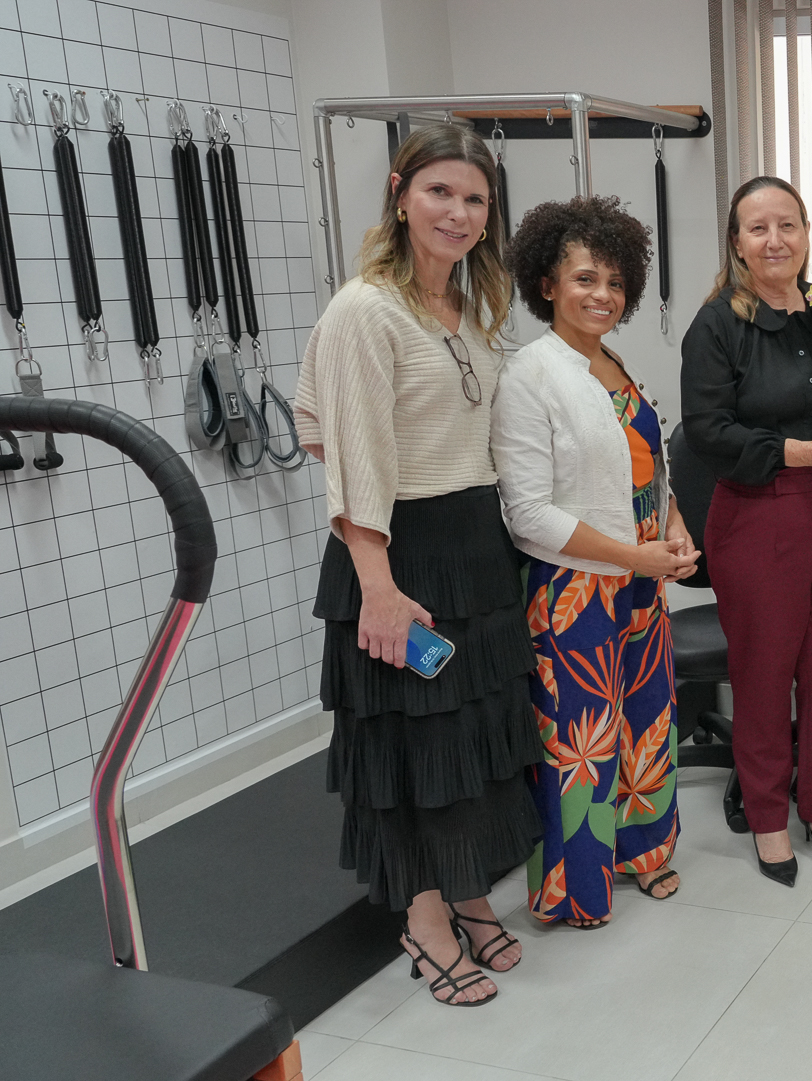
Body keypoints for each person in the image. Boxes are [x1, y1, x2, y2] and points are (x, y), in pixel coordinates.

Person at [295, 126, 538, 1008]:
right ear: (401, 194)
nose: (459, 213)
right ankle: (425, 919)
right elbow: (345, 447)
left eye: (475, 198)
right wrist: (379, 584)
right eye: (440, 192)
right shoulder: (366, 308)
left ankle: (469, 892)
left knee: (468, 742)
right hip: (399, 550)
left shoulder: (470, 309)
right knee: (413, 744)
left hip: (475, 547)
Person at [680, 177, 812, 886]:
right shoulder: (717, 325)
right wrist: (804, 452)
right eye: (757, 228)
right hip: (760, 513)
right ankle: (770, 818)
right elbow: (710, 433)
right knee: (766, 676)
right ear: (736, 242)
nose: (775, 240)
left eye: (788, 225)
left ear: (807, 232)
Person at [493, 196, 698, 930]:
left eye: (614, 282)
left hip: (641, 580)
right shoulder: (530, 375)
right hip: (574, 586)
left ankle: (644, 851)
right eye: (584, 279)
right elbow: (530, 515)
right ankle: (577, 887)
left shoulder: (615, 363)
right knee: (580, 742)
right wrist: (631, 554)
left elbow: (649, 470)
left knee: (647, 721)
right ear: (547, 283)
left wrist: (672, 533)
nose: (601, 295)